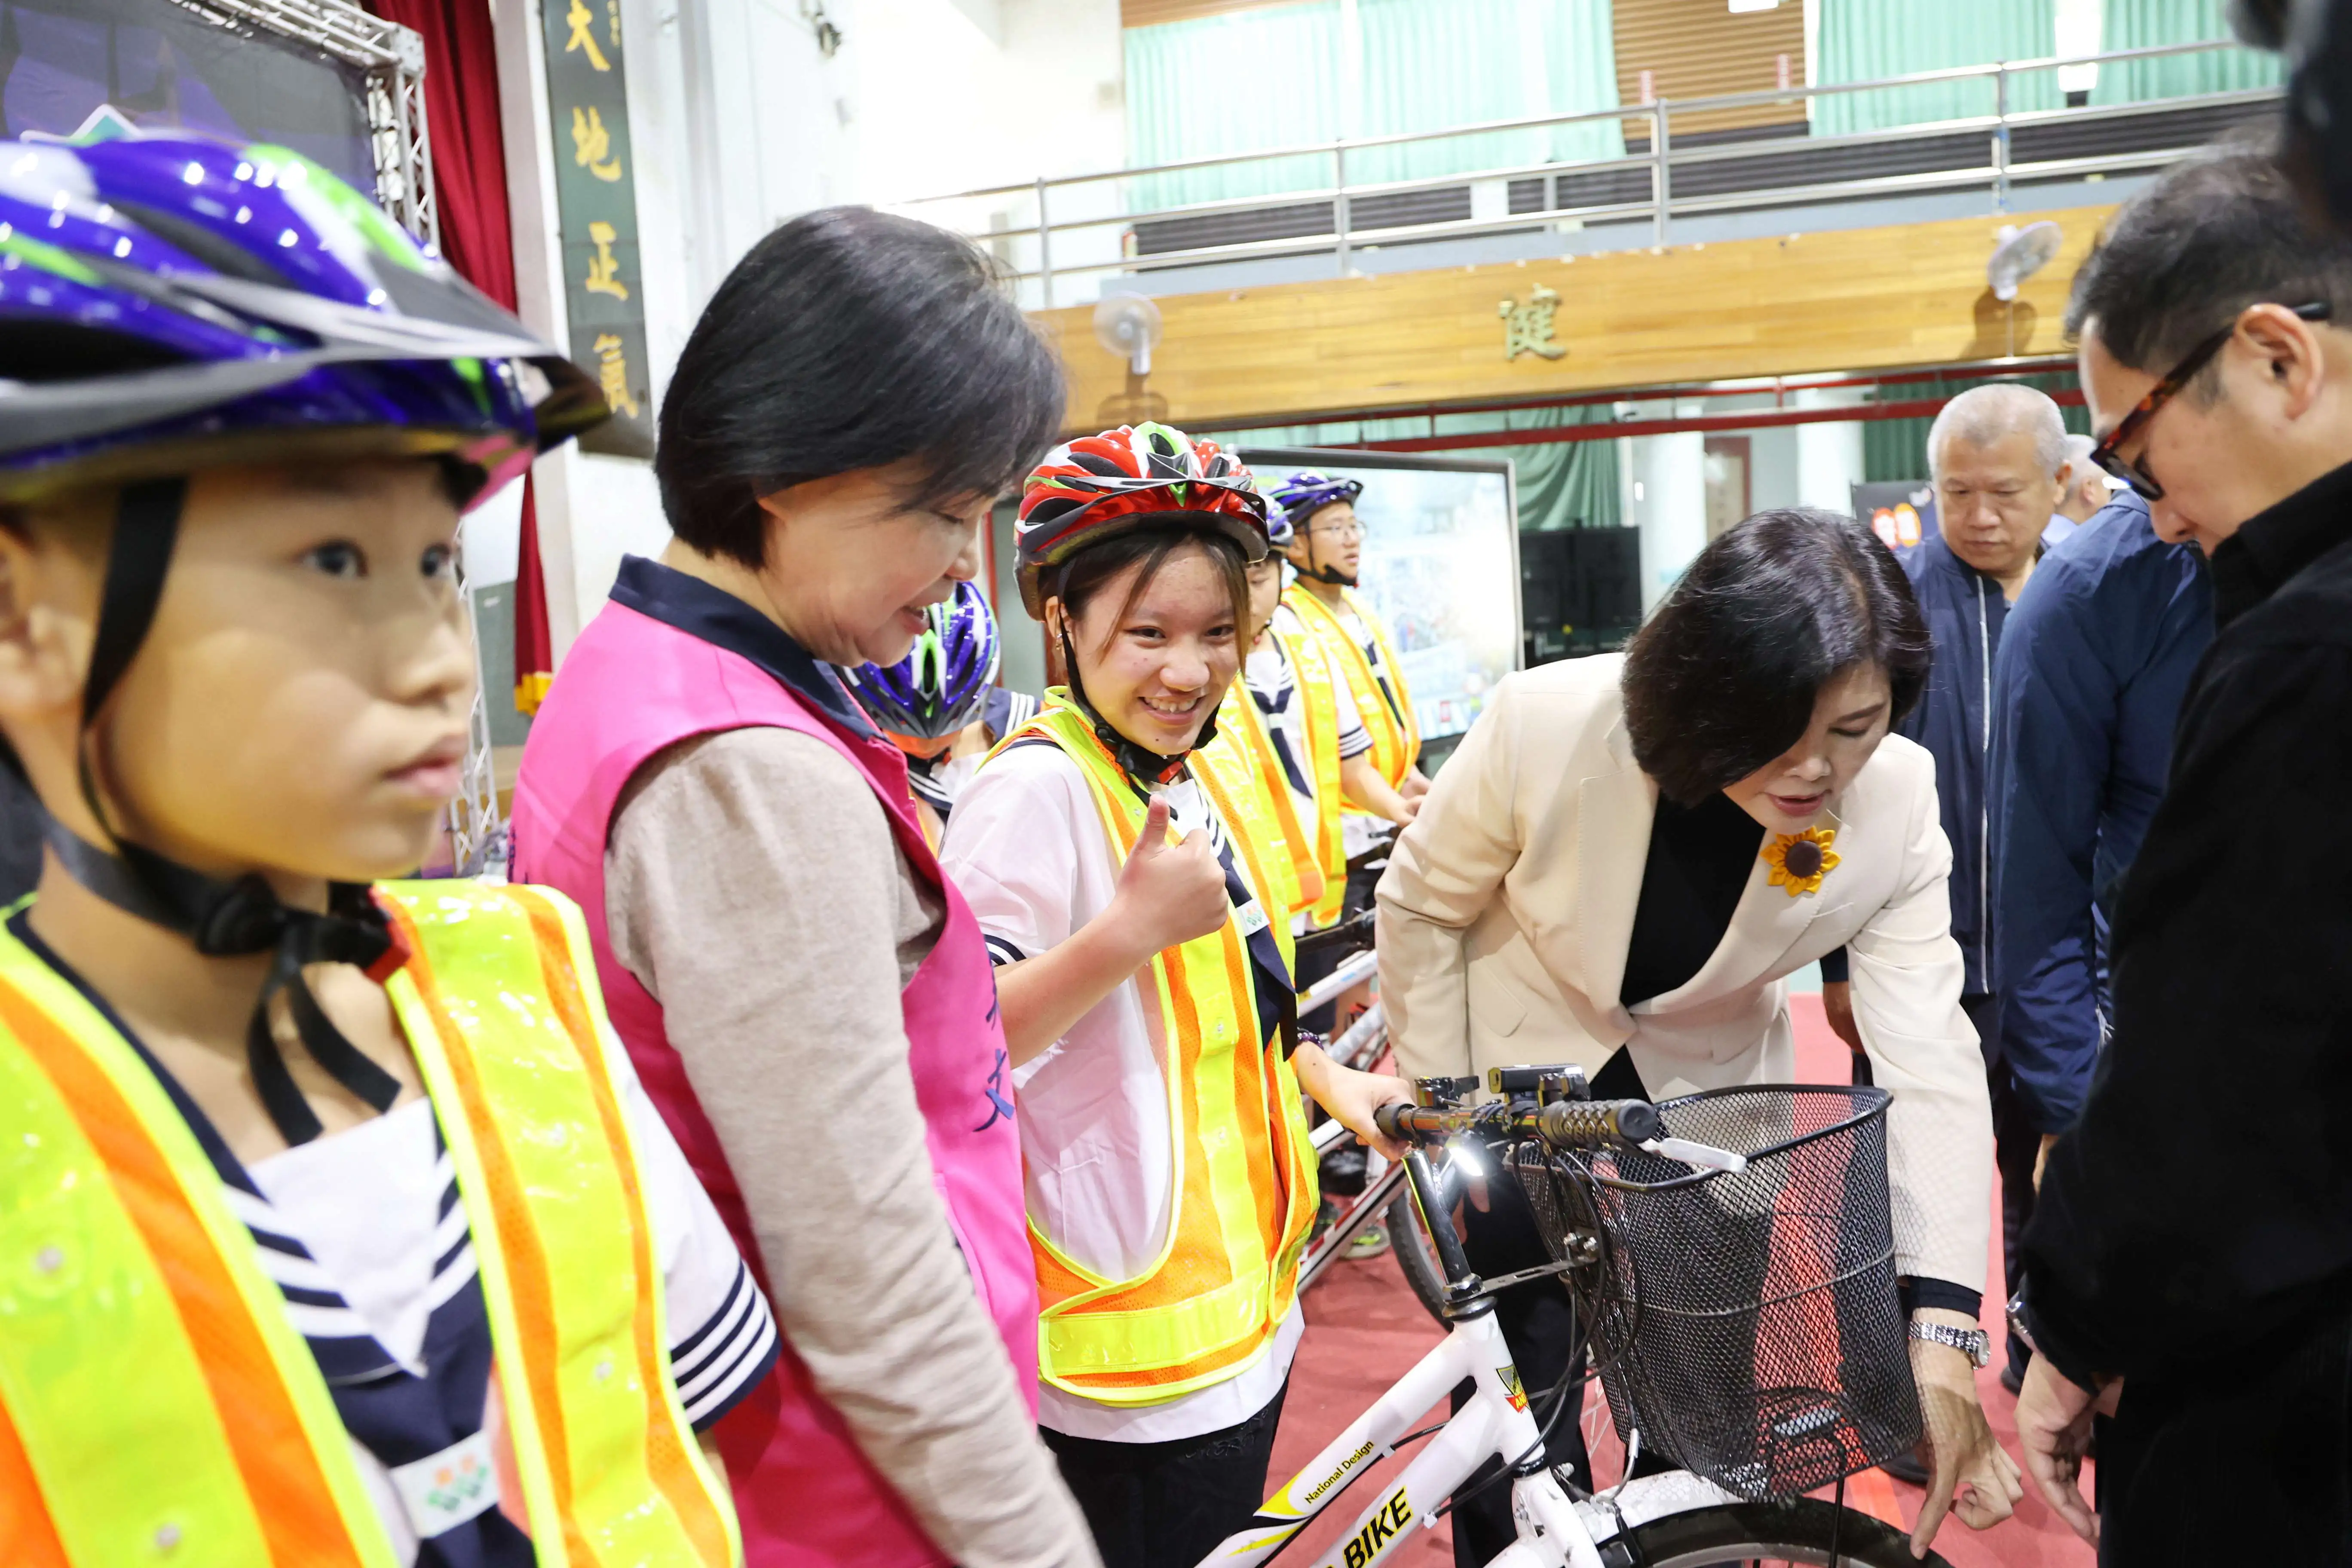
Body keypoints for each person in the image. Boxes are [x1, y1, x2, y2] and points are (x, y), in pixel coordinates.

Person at [0, 135, 765, 1562]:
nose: (439, 665)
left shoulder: (523, 983)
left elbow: (680, 1438)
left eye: (433, 564)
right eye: (334, 561)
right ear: (15, 618)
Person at [509, 210, 1096, 1568]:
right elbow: (867, 1272)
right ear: (790, 472)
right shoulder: (745, 772)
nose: (969, 564)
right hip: (848, 1495)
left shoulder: (645, 666)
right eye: (948, 512)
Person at [1379, 508, 2021, 1563]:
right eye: (1774, 726)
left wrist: (1944, 1328)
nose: (1813, 768)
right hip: (1514, 1089)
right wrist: (1454, 1116)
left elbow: (1929, 1058)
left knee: (1707, 1408)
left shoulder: (1894, 801)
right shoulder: (1547, 723)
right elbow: (1420, 909)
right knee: (1522, 1393)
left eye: (1851, 727)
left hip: (1714, 1113)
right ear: (1700, 690)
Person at [938, 424, 1415, 1568]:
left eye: (1213, 634)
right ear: (1060, 622)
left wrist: (1320, 1075)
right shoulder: (1037, 793)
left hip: (1241, 1319)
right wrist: (1124, 934)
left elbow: (1205, 1012)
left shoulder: (1170, 771)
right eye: (1147, 632)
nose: (1189, 670)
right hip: (1120, 1373)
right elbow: (958, 1043)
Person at [2012, 147, 2352, 1562]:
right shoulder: (2134, 595)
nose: (2150, 508)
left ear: (2274, 356)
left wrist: (2075, 1313)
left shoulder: (2303, 647)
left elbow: (2228, 1071)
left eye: (2140, 455)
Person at [1985, 485, 2211, 1392]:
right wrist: (2077, 1118)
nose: (2153, 507)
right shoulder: (2087, 591)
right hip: (2168, 1060)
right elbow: (2038, 886)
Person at [1894, 382, 2068, 1447]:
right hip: (1920, 961)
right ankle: (1914, 1389)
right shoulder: (1895, 600)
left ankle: (2044, 1349)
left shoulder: (2091, 595)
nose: (1979, 514)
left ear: (2056, 483)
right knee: (1918, 1181)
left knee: (2049, 1166)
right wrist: (1831, 961)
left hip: (2056, 964)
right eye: (1954, 492)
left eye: (2003, 491)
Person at [845, 579, 1020, 836]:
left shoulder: (1030, 726)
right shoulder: (846, 758)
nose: (924, 746)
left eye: (946, 729)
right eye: (903, 728)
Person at [2040, 433, 2113, 551]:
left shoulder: (2031, 546)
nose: (2111, 498)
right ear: (2089, 489)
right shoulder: (2089, 555)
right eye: (2106, 486)